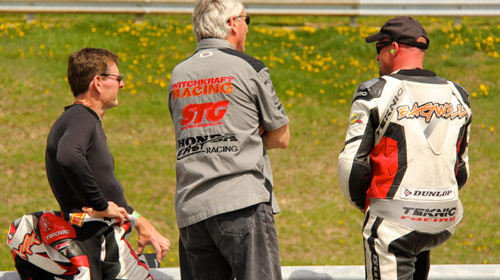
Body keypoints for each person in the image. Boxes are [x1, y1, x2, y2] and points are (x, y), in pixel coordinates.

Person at [338, 16, 471, 280]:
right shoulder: (459, 94)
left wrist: (370, 206)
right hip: (444, 218)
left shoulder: (374, 92)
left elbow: (351, 166)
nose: (377, 58)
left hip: (394, 220)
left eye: (379, 49)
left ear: (393, 49)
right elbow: (462, 169)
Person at [168, 0, 290, 279]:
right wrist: (246, 134)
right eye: (247, 20)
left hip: (191, 210)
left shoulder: (178, 73)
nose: (247, 27)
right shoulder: (248, 67)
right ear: (232, 24)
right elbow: (282, 136)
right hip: (241, 202)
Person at [43, 47, 170, 279]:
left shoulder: (78, 120)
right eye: (118, 78)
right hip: (96, 241)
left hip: (97, 241)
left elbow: (100, 184)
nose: (122, 84)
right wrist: (100, 205)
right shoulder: (82, 118)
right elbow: (69, 156)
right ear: (98, 82)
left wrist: (139, 221)